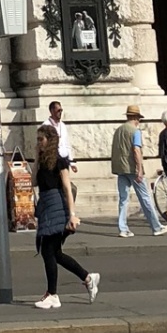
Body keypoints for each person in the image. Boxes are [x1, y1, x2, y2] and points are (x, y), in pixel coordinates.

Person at [31, 123, 99, 311]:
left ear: (50, 140)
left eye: (41, 139)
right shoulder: (43, 161)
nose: (39, 143)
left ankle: (52, 295)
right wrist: (36, 158)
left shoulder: (60, 161)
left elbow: (68, 188)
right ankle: (87, 278)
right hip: (46, 207)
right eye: (37, 140)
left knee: (47, 251)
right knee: (55, 253)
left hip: (58, 208)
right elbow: (34, 182)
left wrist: (72, 215)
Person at [111, 103, 167, 239]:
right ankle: (156, 226)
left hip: (120, 169)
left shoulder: (119, 130)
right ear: (137, 118)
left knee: (123, 199)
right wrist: (140, 170)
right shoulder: (135, 131)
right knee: (145, 198)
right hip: (132, 168)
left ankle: (123, 229)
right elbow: (136, 150)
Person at [39, 100, 74, 167]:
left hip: (64, 159)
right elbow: (42, 146)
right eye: (58, 110)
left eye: (61, 110)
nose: (60, 112)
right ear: (52, 111)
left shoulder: (63, 125)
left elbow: (67, 144)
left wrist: (71, 162)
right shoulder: (46, 125)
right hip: (53, 160)